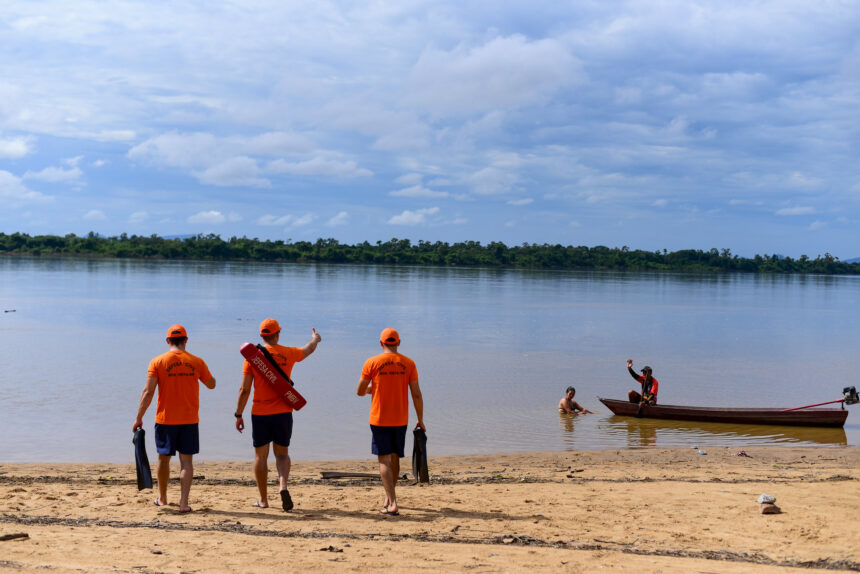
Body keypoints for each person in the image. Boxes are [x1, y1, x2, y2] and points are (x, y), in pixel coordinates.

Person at [234, 318, 321, 511]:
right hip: (283, 412)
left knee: (260, 457)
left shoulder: (252, 359)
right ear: (277, 334)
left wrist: (238, 414)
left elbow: (244, 390)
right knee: (282, 454)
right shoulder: (288, 353)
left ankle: (264, 500)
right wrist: (315, 338)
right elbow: (308, 349)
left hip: (260, 413)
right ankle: (283, 486)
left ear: (262, 335)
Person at [133, 324, 216, 513]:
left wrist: (139, 417)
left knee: (163, 459)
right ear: (186, 340)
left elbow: (148, 392)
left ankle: (162, 499)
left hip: (165, 419)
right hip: (189, 419)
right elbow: (211, 385)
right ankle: (184, 503)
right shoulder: (197, 362)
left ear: (168, 341)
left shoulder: (157, 361)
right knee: (187, 462)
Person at [356, 328, 425, 516]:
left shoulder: (372, 362)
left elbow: (360, 391)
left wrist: (372, 389)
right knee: (394, 457)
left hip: (379, 418)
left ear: (381, 343)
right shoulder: (409, 363)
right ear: (399, 342)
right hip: (400, 418)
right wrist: (420, 419)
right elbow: (416, 393)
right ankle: (389, 496)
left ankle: (392, 503)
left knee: (383, 459)